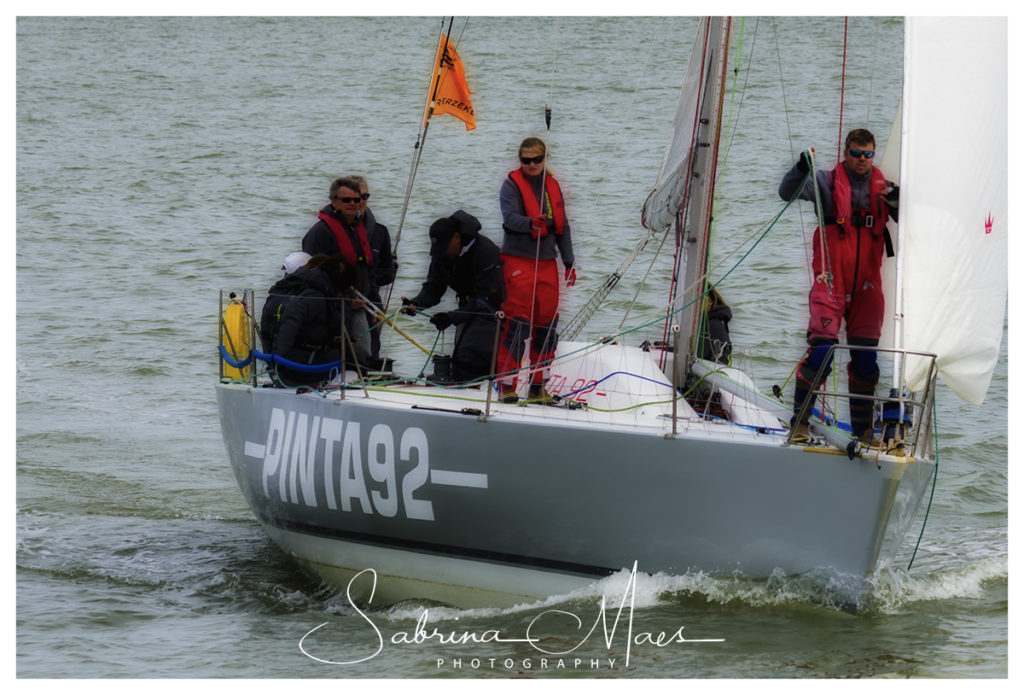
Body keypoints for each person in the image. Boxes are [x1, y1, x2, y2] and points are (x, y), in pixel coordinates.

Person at [778, 128, 899, 441]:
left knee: (866, 362)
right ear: (846, 153)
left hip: (867, 288)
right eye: (856, 153)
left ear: (873, 155)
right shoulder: (826, 182)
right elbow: (786, 192)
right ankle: (800, 424)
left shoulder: (885, 188)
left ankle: (863, 434)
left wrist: (899, 203)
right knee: (822, 353)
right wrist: (802, 167)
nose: (862, 160)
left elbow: (917, 219)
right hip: (830, 282)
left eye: (868, 154)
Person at [495, 136, 576, 403]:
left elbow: (563, 228)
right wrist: (531, 222)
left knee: (547, 325)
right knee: (517, 323)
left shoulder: (552, 186)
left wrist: (569, 262)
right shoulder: (510, 186)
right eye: (526, 160)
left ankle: (538, 387)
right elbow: (510, 218)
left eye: (536, 160)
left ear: (544, 159)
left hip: (547, 265)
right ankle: (507, 386)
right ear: (520, 160)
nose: (531, 164)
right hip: (518, 261)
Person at [401, 210, 503, 383]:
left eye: (444, 247)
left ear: (457, 237)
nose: (442, 253)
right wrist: (416, 304)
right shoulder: (443, 254)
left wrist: (451, 317)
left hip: (492, 311)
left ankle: (481, 393)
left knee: (471, 357)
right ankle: (465, 389)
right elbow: (434, 287)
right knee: (462, 359)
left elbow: (487, 298)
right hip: (467, 309)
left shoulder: (486, 252)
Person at [270, 254, 371, 387]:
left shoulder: (323, 295)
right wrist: (279, 363)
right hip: (297, 367)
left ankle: (345, 378)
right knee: (353, 354)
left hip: (308, 358)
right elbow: (289, 326)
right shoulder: (312, 299)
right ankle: (340, 381)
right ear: (339, 285)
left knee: (352, 351)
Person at [349, 175, 397, 365]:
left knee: (372, 348)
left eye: (365, 196)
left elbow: (386, 274)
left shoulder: (380, 232)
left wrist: (385, 273)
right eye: (355, 197)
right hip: (344, 301)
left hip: (371, 300)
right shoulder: (330, 231)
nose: (360, 202)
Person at [260, 251, 311, 354]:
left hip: (274, 355)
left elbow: (266, 330)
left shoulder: (276, 293)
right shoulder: (307, 296)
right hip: (297, 357)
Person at [696, 287, 732, 365]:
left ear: (710, 302)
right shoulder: (705, 322)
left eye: (699, 299)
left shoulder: (713, 325)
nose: (695, 303)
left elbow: (702, 355)